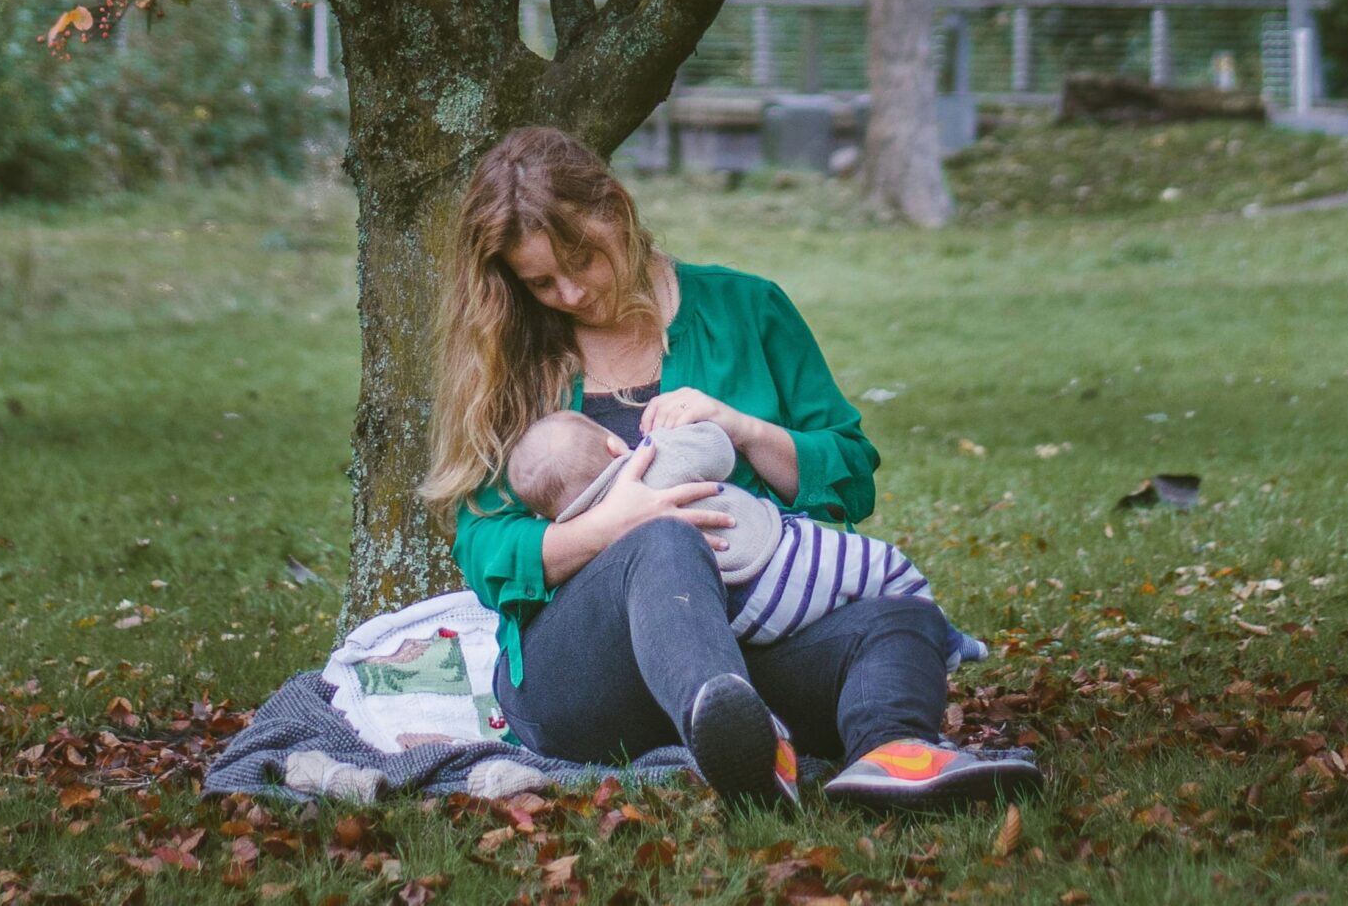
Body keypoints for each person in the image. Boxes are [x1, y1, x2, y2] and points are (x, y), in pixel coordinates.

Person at [422, 126, 1043, 811]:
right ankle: (736, 738)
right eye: (541, 281)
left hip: (758, 653)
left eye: (582, 259)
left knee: (901, 618)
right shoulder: (513, 355)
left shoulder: (748, 307)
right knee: (663, 538)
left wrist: (742, 428)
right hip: (587, 681)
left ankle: (890, 752)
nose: (569, 292)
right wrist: (614, 527)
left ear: (616, 210)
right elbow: (483, 546)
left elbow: (850, 476)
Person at [504, 411, 990, 663]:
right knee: (886, 568)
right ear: (615, 446)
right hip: (781, 563)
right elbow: (718, 451)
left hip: (739, 620)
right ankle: (943, 641)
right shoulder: (652, 461)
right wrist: (679, 432)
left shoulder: (578, 532)